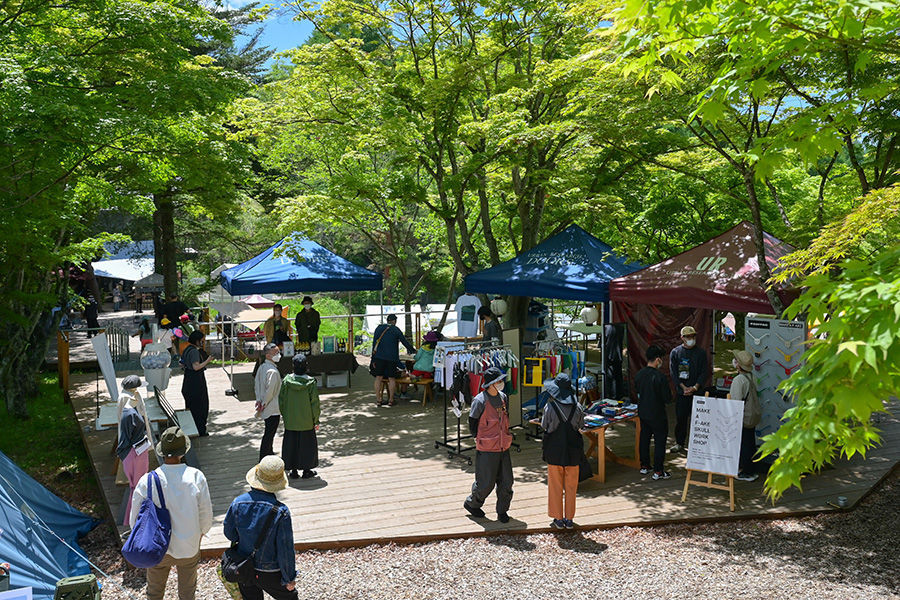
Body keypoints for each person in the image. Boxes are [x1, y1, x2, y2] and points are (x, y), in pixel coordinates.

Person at [130, 427, 212, 600]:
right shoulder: (196, 477)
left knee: (154, 591)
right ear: (183, 452)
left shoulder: (147, 480)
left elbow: (135, 518)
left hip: (157, 546)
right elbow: (205, 513)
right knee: (187, 592)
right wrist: (201, 533)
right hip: (188, 544)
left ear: (162, 452)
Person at [224, 456, 298, 600]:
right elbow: (285, 548)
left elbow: (230, 534)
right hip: (271, 570)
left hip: (244, 567)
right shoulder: (281, 511)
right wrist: (289, 577)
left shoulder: (237, 503)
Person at [463, 367, 513, 523]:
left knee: (507, 481)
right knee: (486, 482)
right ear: (491, 383)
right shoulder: (480, 400)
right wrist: (477, 438)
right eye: (499, 381)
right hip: (487, 448)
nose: (501, 383)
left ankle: (502, 511)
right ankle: (472, 503)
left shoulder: (504, 397)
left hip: (504, 445)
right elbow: (472, 422)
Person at [541, 373, 585, 529]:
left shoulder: (550, 407)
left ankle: (558, 519)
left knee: (555, 485)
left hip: (554, 451)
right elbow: (581, 426)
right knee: (572, 487)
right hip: (573, 451)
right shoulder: (578, 407)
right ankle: (569, 518)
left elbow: (545, 426)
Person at [278, 354, 320, 479]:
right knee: (307, 446)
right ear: (306, 366)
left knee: (291, 445)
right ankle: (306, 470)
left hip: (291, 420)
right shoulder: (311, 382)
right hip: (306, 421)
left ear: (293, 366)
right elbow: (315, 404)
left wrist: (286, 415)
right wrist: (315, 420)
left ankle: (293, 471)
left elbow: (281, 401)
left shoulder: (286, 381)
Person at [117, 375, 151, 525]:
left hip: (136, 449)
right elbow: (125, 427)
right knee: (138, 486)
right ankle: (134, 518)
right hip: (134, 450)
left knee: (138, 485)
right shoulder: (126, 403)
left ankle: (134, 518)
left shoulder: (131, 400)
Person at [669, 325, 708, 454]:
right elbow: (673, 373)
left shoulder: (701, 353)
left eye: (693, 336)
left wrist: (695, 387)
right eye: (688, 337)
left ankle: (698, 444)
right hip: (682, 392)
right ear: (682, 338)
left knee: (700, 420)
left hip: (697, 392)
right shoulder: (676, 352)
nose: (691, 339)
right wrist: (684, 388)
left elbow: (704, 372)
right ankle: (679, 443)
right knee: (681, 419)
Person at [635, 345, 672, 480]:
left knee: (644, 439)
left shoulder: (639, 375)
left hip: (643, 412)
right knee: (660, 442)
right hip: (657, 414)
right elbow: (667, 398)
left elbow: (637, 392)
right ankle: (658, 470)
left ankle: (644, 466)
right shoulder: (660, 377)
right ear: (658, 360)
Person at [730, 350, 762, 482]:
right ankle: (751, 469)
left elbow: (735, 402)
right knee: (750, 441)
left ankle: (746, 471)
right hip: (753, 414)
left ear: (738, 365)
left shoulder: (739, 380)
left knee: (744, 444)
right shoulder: (752, 377)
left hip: (743, 416)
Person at [371, 314, 415, 407]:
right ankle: (391, 400)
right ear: (395, 321)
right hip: (391, 357)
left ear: (387, 320)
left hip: (379, 357)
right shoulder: (396, 330)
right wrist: (413, 350)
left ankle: (379, 400)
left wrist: (373, 359)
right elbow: (404, 342)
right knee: (392, 378)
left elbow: (374, 343)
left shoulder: (378, 328)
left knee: (378, 378)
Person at [255, 343, 283, 462]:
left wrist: (259, 400)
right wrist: (264, 403)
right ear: (267, 356)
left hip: (264, 403)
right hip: (272, 407)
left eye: (278, 352)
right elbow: (270, 391)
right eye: (275, 353)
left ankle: (269, 452)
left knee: (269, 431)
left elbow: (256, 384)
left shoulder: (262, 367)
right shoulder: (273, 372)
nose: (278, 355)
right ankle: (263, 456)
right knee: (269, 433)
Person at [181, 330, 212, 436]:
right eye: (202, 341)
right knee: (200, 405)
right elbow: (196, 367)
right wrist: (208, 360)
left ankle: (193, 428)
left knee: (192, 406)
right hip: (195, 381)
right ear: (197, 340)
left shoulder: (187, 349)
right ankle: (200, 430)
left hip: (188, 379)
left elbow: (182, 363)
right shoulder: (194, 351)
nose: (203, 343)